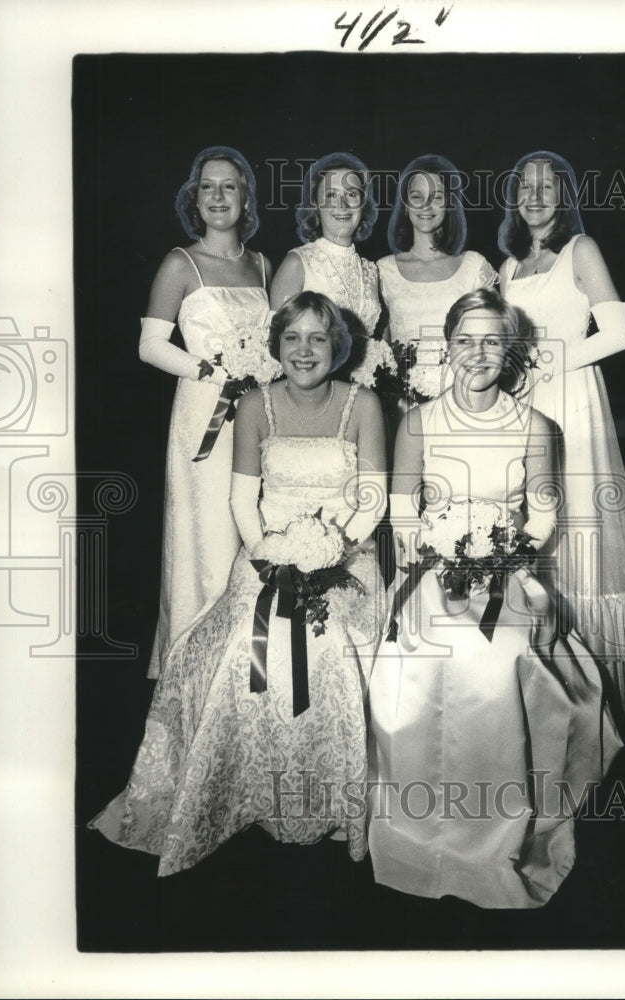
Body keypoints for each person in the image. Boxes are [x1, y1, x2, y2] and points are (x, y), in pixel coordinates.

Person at [90, 292, 387, 875]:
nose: (305, 351)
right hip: (267, 555)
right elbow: (240, 499)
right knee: (234, 654)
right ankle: (246, 790)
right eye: (293, 338)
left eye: (319, 339)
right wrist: (271, 553)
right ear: (277, 345)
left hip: (347, 557)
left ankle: (333, 802)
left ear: (338, 347)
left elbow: (372, 498)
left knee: (337, 653)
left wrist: (330, 550)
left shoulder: (365, 404)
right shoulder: (254, 404)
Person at [368, 288, 622, 909]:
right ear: (447, 347)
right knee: (411, 669)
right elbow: (402, 515)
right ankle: (417, 830)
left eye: (491, 341)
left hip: (506, 576)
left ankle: (494, 833)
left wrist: (499, 555)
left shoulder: (536, 426)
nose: (477, 353)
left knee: (494, 665)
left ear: (508, 349)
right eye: (465, 341)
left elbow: (542, 517)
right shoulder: (419, 421)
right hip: (435, 571)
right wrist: (440, 553)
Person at [498, 150, 625, 711]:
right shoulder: (509, 267)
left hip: (572, 400)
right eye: (526, 185)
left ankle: (606, 692)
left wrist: (549, 361)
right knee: (538, 526)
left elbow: (615, 332)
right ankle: (552, 690)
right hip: (526, 407)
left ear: (563, 195)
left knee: (581, 523)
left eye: (548, 185)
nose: (536, 194)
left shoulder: (581, 249)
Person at [141, 145, 277, 679]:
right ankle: (194, 668)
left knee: (253, 525)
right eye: (208, 186)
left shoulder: (263, 264)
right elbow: (151, 345)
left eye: (230, 186)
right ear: (194, 200)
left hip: (256, 416)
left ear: (246, 199)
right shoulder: (181, 262)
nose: (218, 196)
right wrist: (215, 371)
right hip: (204, 418)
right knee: (208, 536)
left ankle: (247, 667)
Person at [377, 154, 498, 402]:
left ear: (449, 204)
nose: (426, 206)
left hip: (465, 399)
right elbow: (381, 351)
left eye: (437, 197)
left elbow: (495, 341)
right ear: (406, 205)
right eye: (417, 197)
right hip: (404, 405)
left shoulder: (474, 266)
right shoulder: (383, 270)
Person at [269, 152, 381, 349]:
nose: (342, 205)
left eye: (352, 194)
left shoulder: (371, 271)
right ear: (316, 206)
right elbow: (276, 345)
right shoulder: (297, 263)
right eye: (331, 195)